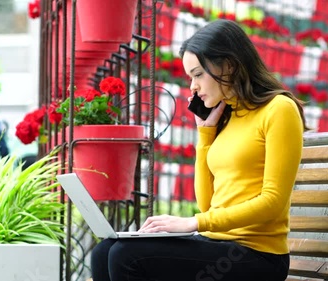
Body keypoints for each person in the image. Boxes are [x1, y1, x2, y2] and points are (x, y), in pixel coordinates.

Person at [90, 19, 308, 281]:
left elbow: (273, 202)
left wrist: (193, 223)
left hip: (257, 255)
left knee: (126, 255)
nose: (192, 87)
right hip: (218, 243)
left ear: (228, 66)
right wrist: (205, 135)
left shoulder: (279, 109)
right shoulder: (227, 117)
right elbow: (207, 204)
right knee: (104, 251)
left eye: (197, 74)